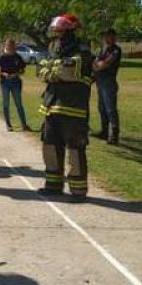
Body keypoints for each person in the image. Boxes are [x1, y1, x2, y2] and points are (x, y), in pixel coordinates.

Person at [36, 13, 95, 200]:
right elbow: (40, 68)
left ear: (71, 30)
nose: (58, 34)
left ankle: (78, 190)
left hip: (73, 108)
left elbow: (70, 71)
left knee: (75, 150)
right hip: (51, 106)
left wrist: (53, 69)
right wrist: (54, 69)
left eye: (61, 30)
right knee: (50, 146)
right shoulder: (54, 47)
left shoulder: (83, 49)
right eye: (57, 30)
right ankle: (53, 185)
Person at [93, 28, 122, 144]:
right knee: (102, 108)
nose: (106, 38)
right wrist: (98, 65)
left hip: (109, 82)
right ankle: (104, 131)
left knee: (110, 109)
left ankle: (114, 135)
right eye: (105, 36)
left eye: (109, 36)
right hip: (100, 81)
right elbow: (95, 63)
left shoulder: (116, 50)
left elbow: (105, 63)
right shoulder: (102, 50)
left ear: (114, 37)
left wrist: (99, 65)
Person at [0, 38, 31, 132]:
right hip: (5, 82)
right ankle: (8, 125)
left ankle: (24, 124)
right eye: (9, 45)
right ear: (6, 46)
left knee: (19, 104)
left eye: (12, 46)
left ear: (14, 46)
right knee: (5, 104)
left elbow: (23, 69)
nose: (11, 47)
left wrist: (17, 74)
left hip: (15, 82)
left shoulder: (18, 57)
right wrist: (3, 74)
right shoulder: (2, 57)